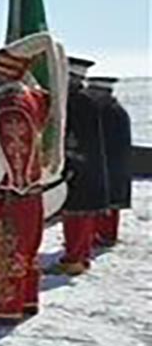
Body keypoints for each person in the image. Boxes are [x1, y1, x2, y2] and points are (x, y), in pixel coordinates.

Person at [0, 32, 68, 326]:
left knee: (6, 250)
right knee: (27, 249)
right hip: (30, 193)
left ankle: (5, 308)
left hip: (9, 194)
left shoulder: (8, 103)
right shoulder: (31, 97)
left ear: (3, 71)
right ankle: (28, 299)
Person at [50, 57, 109, 276]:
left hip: (77, 165)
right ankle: (81, 256)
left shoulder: (75, 101)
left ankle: (73, 260)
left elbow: (73, 135)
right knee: (83, 215)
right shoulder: (86, 99)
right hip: (88, 164)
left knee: (75, 215)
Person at [86, 77, 131, 247]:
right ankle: (103, 234)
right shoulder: (113, 110)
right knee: (109, 201)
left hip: (110, 164)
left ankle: (105, 235)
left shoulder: (106, 112)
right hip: (113, 163)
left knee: (108, 202)